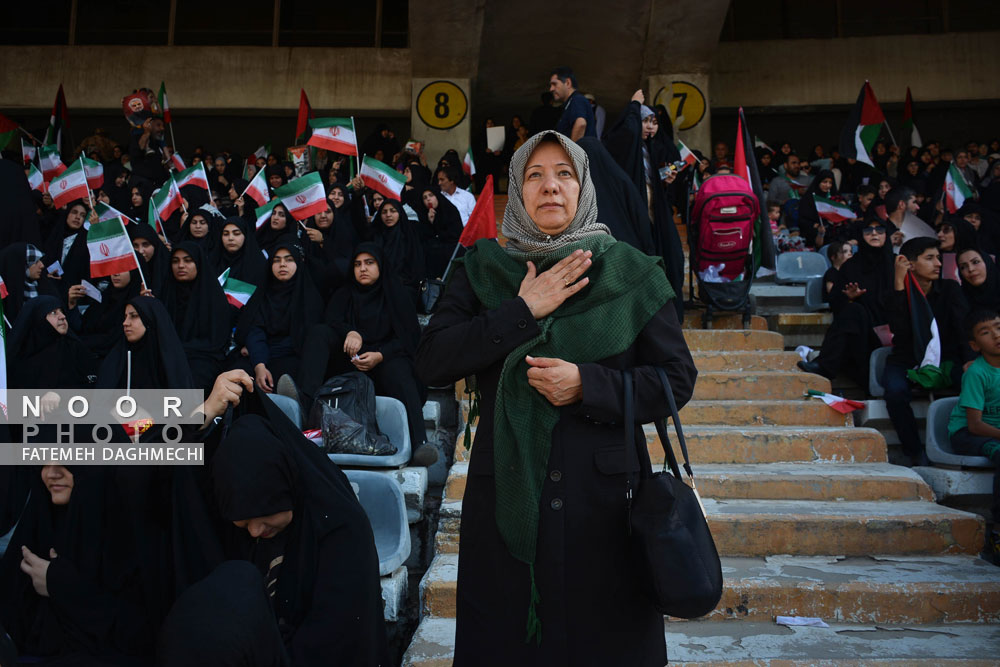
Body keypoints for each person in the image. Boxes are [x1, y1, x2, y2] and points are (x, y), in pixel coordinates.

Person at [415, 130, 697, 665]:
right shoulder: (481, 269)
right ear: (518, 192)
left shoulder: (630, 272)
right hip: (507, 499)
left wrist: (588, 385)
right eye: (535, 175)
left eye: (565, 174)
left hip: (609, 507)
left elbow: (676, 379)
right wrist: (523, 311)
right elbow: (433, 360)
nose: (551, 187)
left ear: (583, 186)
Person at [209, 405, 390, 665]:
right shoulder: (239, 530)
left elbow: (336, 637)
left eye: (263, 516)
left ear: (285, 487)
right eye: (243, 522)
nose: (255, 532)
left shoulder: (340, 529)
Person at [0, 466, 156, 664]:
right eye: (45, 462)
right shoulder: (38, 526)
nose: (52, 473)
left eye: (68, 462)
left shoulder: (129, 539)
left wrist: (66, 588)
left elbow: (141, 636)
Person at [294, 244, 435, 464]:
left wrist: (380, 354)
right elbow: (331, 323)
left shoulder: (396, 294)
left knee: (399, 370)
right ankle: (305, 409)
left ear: (380, 266)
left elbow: (409, 339)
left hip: (384, 365)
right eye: (358, 264)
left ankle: (420, 443)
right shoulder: (344, 294)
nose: (363, 269)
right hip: (350, 366)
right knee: (319, 333)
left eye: (369, 263)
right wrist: (350, 331)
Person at [883, 237, 974, 466]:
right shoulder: (896, 291)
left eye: (938, 258)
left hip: (947, 358)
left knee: (973, 383)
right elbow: (900, 332)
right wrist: (898, 283)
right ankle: (914, 452)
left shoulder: (950, 289)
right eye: (930, 258)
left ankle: (967, 441)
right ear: (910, 263)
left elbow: (963, 328)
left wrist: (969, 360)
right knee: (894, 392)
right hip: (906, 358)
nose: (938, 264)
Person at [798, 219, 895, 385]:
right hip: (863, 333)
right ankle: (824, 366)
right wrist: (847, 297)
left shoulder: (896, 263)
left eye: (879, 230)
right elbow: (835, 304)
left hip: (894, 331)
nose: (874, 234)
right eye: (868, 231)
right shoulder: (851, 266)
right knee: (854, 311)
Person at [235, 236, 324, 394]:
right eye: (276, 260)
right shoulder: (263, 293)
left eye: (288, 260)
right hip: (261, 355)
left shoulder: (309, 296)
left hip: (293, 357)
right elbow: (255, 330)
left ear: (298, 262)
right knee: (238, 376)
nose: (282, 264)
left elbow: (307, 339)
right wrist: (260, 365)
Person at [947, 309, 1000, 562]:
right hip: (967, 434)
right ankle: (997, 532)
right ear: (974, 345)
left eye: (998, 327)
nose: (996, 335)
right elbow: (975, 425)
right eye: (986, 332)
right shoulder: (977, 373)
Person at [161, 242, 233, 391]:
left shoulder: (213, 297)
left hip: (203, 359)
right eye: (175, 261)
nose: (181, 265)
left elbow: (216, 343)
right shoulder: (165, 294)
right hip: (169, 356)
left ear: (198, 263)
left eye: (188, 260)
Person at [97, 296, 195, 390]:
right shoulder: (117, 359)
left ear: (150, 319)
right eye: (125, 317)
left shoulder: (168, 363)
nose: (125, 323)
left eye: (134, 316)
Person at [7, 295, 97, 390]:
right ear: (38, 318)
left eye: (61, 311)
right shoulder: (18, 355)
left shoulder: (74, 347)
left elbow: (90, 385)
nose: (63, 316)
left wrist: (60, 394)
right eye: (54, 313)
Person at [77, 268, 143, 356]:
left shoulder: (139, 302)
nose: (115, 274)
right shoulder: (105, 297)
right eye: (113, 267)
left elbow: (115, 338)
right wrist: (71, 305)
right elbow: (83, 327)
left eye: (122, 269)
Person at [371, 199, 425, 303]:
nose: (388, 215)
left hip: (404, 285)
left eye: (393, 211)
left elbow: (415, 268)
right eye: (384, 212)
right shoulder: (375, 236)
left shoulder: (409, 236)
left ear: (400, 213)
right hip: (377, 282)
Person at [0, 242, 57, 322]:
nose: (42, 265)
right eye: (35, 262)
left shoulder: (45, 288)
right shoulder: (5, 296)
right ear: (23, 265)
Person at [416, 186, 464, 279]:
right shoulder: (423, 215)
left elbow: (454, 234)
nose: (428, 199)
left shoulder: (450, 210)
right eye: (425, 198)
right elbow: (425, 236)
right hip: (432, 252)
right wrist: (430, 223)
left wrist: (435, 224)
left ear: (437, 196)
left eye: (431, 195)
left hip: (452, 248)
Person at [214, 215, 268, 289]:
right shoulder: (213, 261)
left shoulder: (257, 263)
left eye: (236, 233)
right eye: (226, 234)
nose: (230, 238)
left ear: (245, 236)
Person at [549, 66, 596, 142]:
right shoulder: (569, 103)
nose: (551, 89)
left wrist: (572, 153)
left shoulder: (577, 99)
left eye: (554, 84)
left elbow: (581, 124)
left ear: (567, 83)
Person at [127, 222, 170, 295]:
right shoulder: (127, 272)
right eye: (135, 245)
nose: (140, 251)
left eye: (145, 245)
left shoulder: (168, 269)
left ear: (155, 245)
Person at [957, 247, 1000, 311]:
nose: (970, 269)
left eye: (976, 262)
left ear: (987, 263)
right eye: (963, 267)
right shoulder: (959, 298)